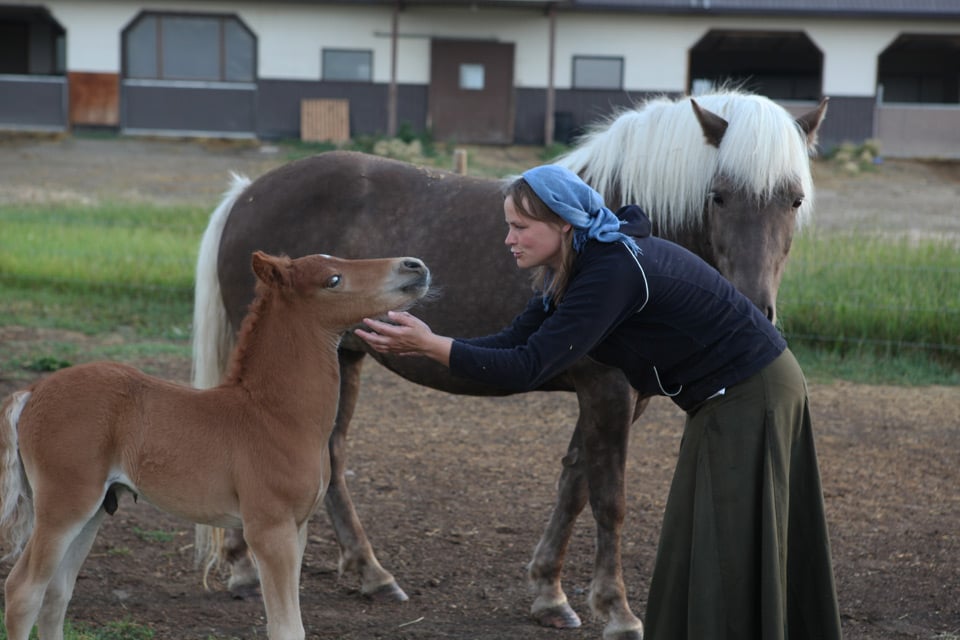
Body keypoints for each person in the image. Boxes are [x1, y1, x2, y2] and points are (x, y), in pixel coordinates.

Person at [355, 164, 842, 640]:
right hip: (724, 398)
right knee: (700, 534)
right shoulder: (574, 268)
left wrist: (428, 346)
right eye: (509, 226)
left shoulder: (611, 272)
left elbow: (529, 367)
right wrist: (433, 339)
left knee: (726, 540)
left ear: (564, 223)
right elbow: (510, 343)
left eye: (521, 227)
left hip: (753, 396)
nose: (509, 239)